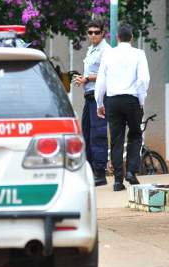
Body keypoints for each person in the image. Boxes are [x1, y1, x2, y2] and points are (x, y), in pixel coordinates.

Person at [95, 23, 150, 191]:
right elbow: (143, 79)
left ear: (117, 37)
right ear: (132, 37)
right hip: (131, 99)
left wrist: (99, 103)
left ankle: (118, 181)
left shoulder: (108, 54)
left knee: (117, 139)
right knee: (135, 134)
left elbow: (101, 81)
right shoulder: (138, 54)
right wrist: (141, 100)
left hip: (113, 101)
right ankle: (131, 172)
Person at [73, 19, 110, 187]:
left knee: (98, 134)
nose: (93, 35)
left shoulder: (106, 50)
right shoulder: (91, 50)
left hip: (99, 96)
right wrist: (83, 78)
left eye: (97, 32)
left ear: (103, 33)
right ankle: (89, 171)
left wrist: (87, 78)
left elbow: (107, 74)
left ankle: (99, 174)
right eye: (90, 32)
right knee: (86, 133)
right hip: (88, 96)